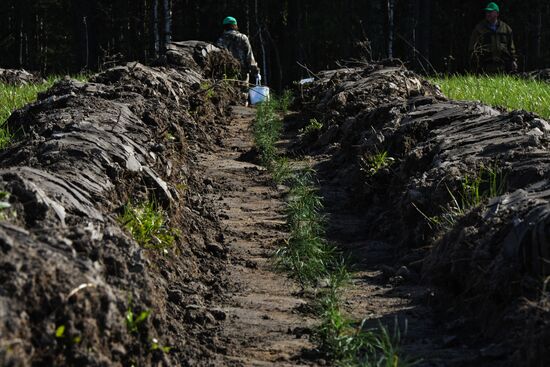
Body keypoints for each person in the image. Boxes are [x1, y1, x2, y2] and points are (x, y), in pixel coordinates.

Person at [468, 2, 517, 74]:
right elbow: (473, 48)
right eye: (487, 12)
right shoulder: (479, 29)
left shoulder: (506, 28)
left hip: (503, 67)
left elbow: (511, 47)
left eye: (490, 12)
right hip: (484, 68)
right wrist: (474, 65)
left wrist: (513, 61)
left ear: (497, 14)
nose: (488, 14)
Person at [216, 16, 260, 84]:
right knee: (243, 93)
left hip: (227, 74)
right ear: (235, 25)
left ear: (224, 27)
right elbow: (249, 57)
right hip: (242, 73)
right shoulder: (243, 37)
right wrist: (255, 71)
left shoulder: (220, 40)